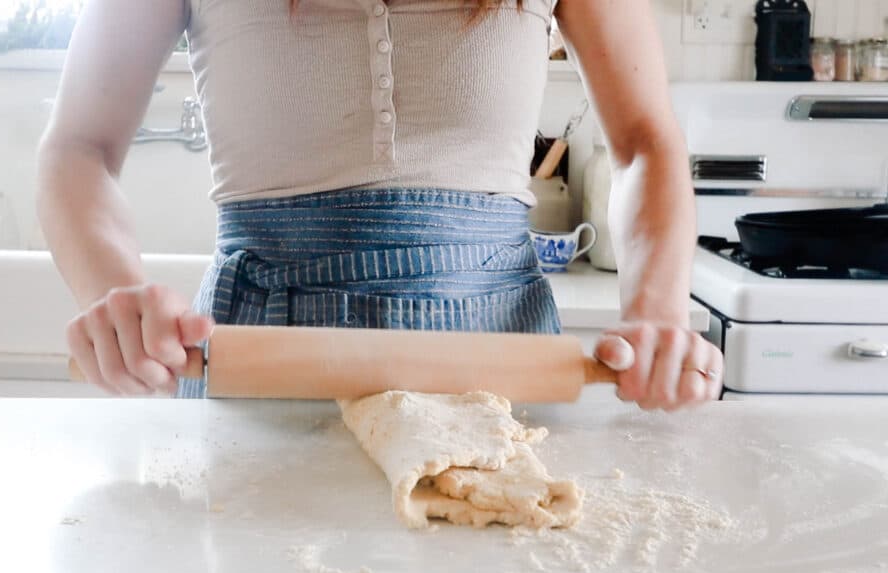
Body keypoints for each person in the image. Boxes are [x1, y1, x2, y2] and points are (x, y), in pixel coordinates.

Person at [37, 0, 724, 410]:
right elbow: (78, 147)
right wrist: (117, 295)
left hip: (502, 366)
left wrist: (657, 316)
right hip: (261, 366)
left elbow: (643, 142)